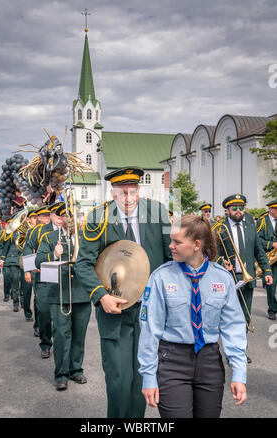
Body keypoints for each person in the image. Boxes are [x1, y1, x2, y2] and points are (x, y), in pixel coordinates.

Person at [76, 166, 172, 418]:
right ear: (112, 192)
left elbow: (170, 257)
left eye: (133, 191)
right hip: (114, 311)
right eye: (122, 193)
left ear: (139, 190)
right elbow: (84, 264)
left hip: (149, 310)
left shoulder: (157, 212)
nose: (128, 198)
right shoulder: (98, 217)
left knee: (141, 380)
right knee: (119, 381)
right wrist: (101, 296)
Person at [138, 215, 247, 418]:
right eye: (171, 240)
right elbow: (150, 329)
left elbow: (234, 327)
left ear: (197, 244)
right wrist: (148, 375)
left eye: (177, 242)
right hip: (172, 362)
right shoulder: (161, 277)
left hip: (209, 362)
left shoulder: (222, 278)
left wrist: (239, 373)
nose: (171, 246)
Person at [35, 204, 91, 391]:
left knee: (79, 334)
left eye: (75, 216)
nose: (73, 219)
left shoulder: (86, 238)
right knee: (61, 335)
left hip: (82, 293)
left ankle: (76, 369)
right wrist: (53, 254)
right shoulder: (50, 238)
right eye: (67, 216)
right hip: (59, 293)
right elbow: (38, 261)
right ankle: (61, 374)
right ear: (60, 219)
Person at [216, 194, 273, 361]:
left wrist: (267, 271)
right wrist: (221, 261)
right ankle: (229, 351)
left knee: (245, 317)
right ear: (227, 210)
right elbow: (212, 254)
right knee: (228, 318)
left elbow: (259, 251)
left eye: (241, 208)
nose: (238, 211)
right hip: (228, 279)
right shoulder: (220, 228)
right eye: (234, 208)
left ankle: (240, 351)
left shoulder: (250, 225)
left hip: (247, 279)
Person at [23, 205, 52, 355]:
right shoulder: (36, 231)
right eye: (45, 215)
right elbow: (27, 248)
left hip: (61, 273)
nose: (48, 217)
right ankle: (45, 343)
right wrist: (28, 268)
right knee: (44, 309)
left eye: (49, 215)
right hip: (42, 272)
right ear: (39, 218)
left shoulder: (59, 228)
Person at [257, 200, 277, 320]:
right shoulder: (262, 222)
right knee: (271, 286)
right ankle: (272, 309)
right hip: (270, 259)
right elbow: (258, 241)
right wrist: (272, 244)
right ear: (271, 209)